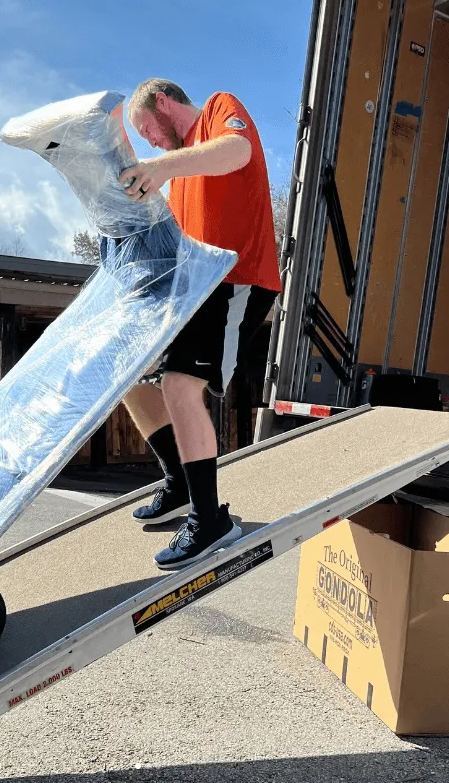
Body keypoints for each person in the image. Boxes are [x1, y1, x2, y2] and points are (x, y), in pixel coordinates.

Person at [118, 79, 281, 571]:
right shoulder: (181, 174)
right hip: (196, 290)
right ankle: (179, 484)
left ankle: (209, 520)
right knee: (132, 380)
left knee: (180, 386)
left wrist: (158, 166)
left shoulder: (218, 111)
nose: (150, 143)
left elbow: (237, 151)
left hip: (240, 279)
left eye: (147, 129)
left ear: (164, 103)